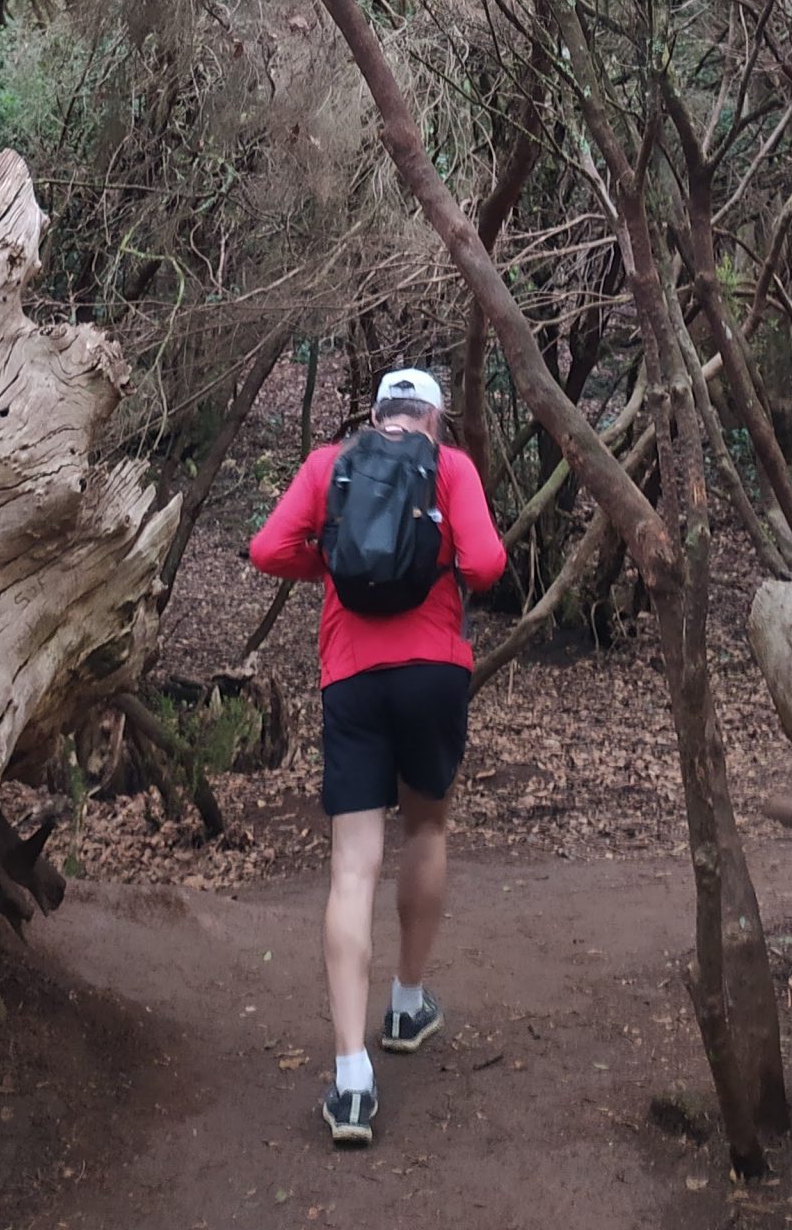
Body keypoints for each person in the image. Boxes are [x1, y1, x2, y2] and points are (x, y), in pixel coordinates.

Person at [248, 366, 507, 1148]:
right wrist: (435, 566)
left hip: (351, 676)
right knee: (426, 828)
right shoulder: (450, 466)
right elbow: (487, 565)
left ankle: (352, 1080)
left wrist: (332, 562)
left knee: (352, 868)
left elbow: (267, 548)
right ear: (433, 419)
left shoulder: (330, 465)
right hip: (433, 672)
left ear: (375, 415)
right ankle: (407, 1004)